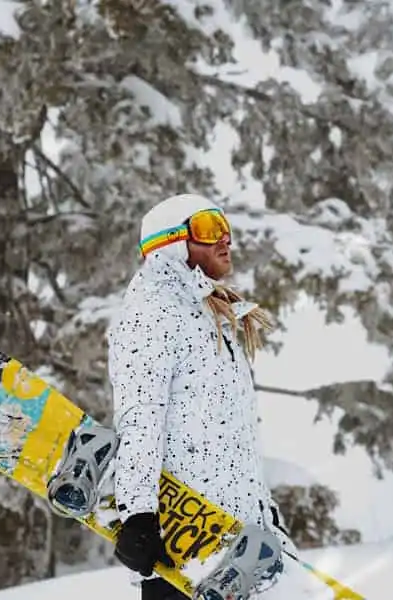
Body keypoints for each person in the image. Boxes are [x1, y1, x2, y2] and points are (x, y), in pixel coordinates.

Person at [106, 193, 297, 599]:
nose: (224, 239)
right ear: (170, 242)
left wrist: (263, 512)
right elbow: (141, 416)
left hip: (234, 550)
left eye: (225, 229)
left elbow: (229, 435)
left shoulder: (208, 314)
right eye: (209, 229)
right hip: (182, 552)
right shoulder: (152, 311)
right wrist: (137, 515)